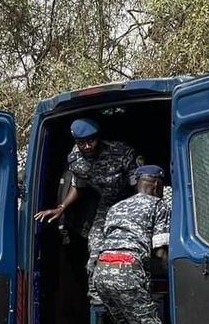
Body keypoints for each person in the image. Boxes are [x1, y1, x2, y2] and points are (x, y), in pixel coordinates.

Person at [90, 165, 171, 324]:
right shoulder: (159, 207)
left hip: (102, 274)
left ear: (137, 183)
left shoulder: (115, 208)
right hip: (128, 271)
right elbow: (160, 251)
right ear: (158, 185)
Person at [34, 118, 139, 286]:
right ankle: (97, 299)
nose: (87, 146)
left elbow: (139, 183)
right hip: (106, 206)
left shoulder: (121, 152)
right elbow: (78, 186)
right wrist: (62, 207)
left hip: (130, 203)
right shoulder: (76, 159)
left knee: (130, 246)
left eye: (91, 141)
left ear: (98, 138)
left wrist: (143, 208)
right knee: (95, 249)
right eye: (82, 143)